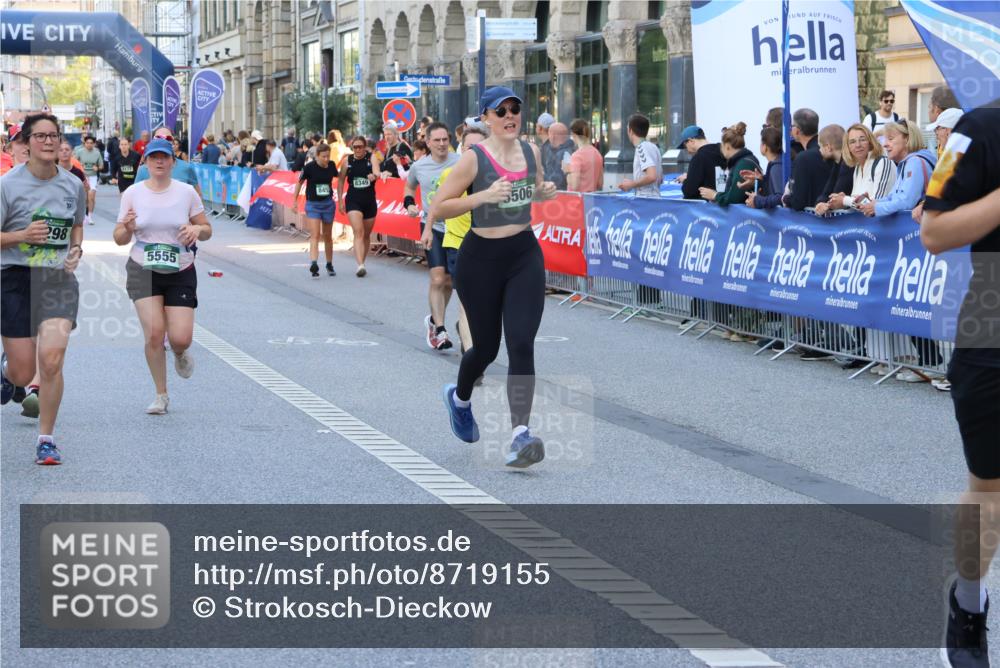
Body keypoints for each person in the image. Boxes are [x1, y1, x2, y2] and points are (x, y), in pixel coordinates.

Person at [430, 86, 558, 468]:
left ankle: (521, 435)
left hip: (523, 254)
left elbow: (532, 190)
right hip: (480, 260)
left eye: (514, 109)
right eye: (500, 111)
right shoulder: (474, 158)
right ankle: (459, 399)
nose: (509, 116)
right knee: (485, 349)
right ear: (485, 117)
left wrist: (542, 192)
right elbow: (439, 207)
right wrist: (482, 197)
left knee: (521, 342)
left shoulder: (531, 151)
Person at [919, 106, 1000, 668]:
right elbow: (933, 231)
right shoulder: (978, 130)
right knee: (989, 491)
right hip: (992, 331)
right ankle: (968, 608)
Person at [0, 112, 86, 465]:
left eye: (54, 135)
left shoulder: (73, 185)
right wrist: (22, 235)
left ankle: (46, 439)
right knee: (23, 373)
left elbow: (76, 224)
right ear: (26, 142)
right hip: (15, 278)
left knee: (51, 360)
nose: (48, 141)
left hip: (56, 278)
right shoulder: (7, 185)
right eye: (40, 136)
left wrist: (76, 248)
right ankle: (7, 372)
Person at [113, 138, 212, 415]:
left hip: (180, 268)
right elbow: (119, 238)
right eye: (154, 157)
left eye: (164, 157)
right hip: (142, 267)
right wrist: (128, 228)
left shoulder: (186, 193)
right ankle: (161, 395)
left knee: (180, 338)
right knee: (155, 334)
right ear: (145, 162)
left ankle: (179, 352)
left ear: (172, 161)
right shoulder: (132, 193)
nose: (159, 161)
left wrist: (196, 230)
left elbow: (207, 229)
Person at [434, 126, 488, 355]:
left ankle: (467, 332)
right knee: (467, 300)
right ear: (462, 149)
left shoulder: (494, 178)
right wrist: (427, 230)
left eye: (479, 148)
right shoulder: (451, 174)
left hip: (488, 246)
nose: (474, 152)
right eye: (469, 148)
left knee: (484, 303)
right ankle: (471, 354)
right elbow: (436, 206)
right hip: (458, 244)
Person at [409, 122, 460, 351]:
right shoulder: (419, 166)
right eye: (437, 140)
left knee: (449, 281)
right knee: (438, 278)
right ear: (428, 142)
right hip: (433, 227)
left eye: (445, 139)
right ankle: (440, 329)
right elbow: (409, 188)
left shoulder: (460, 162)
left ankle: (433, 319)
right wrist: (409, 203)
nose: (441, 144)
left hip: (457, 227)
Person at [815, 123, 895, 215]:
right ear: (848, 147)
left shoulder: (883, 162)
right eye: (852, 142)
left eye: (862, 139)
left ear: (870, 142)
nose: (858, 145)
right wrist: (831, 204)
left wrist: (844, 200)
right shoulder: (857, 168)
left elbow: (875, 206)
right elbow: (856, 202)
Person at [337, 135, 381, 276]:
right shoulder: (347, 161)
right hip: (353, 200)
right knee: (359, 232)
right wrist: (340, 201)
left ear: (365, 147)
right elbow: (340, 181)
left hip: (369, 201)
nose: (357, 150)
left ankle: (362, 261)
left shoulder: (371, 158)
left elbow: (377, 171)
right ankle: (360, 265)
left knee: (366, 235)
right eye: (354, 147)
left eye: (360, 147)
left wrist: (374, 176)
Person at [294, 143, 339, 278]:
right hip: (313, 205)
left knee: (327, 235)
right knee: (315, 234)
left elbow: (339, 178)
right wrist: (294, 200)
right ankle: (314, 263)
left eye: (328, 156)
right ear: (317, 156)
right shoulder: (309, 167)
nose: (326, 159)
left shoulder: (331, 165)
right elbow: (299, 182)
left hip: (328, 204)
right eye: (323, 156)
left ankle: (329, 264)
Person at [783, 108, 835, 211]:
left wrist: (785, 198)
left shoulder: (802, 158)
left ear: (797, 130)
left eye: (792, 126)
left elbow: (798, 201)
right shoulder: (831, 150)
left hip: (815, 217)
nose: (790, 129)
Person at [698, 122, 760, 205]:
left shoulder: (743, 164)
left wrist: (715, 195)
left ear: (727, 146)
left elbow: (735, 198)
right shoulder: (744, 160)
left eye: (721, 145)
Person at [135, 128, 202, 198]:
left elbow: (197, 195)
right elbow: (135, 196)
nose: (163, 141)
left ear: (173, 141)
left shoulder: (186, 167)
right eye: (158, 137)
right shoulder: (143, 170)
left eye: (168, 138)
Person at [677, 125, 727, 199]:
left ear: (691, 141)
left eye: (685, 146)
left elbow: (689, 191)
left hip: (707, 204)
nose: (687, 150)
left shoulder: (698, 158)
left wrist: (685, 180)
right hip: (727, 201)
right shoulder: (725, 150)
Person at [619, 114, 663, 198]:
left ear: (630, 131)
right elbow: (660, 178)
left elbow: (652, 176)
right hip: (655, 198)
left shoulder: (641, 147)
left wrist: (631, 184)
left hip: (645, 199)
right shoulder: (654, 147)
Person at [746, 127, 785, 209]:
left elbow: (781, 198)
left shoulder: (776, 167)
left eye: (761, 143)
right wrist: (762, 180)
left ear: (765, 147)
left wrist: (757, 200)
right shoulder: (778, 164)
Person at [564, 118, 604, 193]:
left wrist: (567, 172)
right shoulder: (597, 154)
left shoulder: (577, 156)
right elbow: (600, 183)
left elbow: (575, 186)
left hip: (577, 199)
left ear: (574, 135)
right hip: (591, 198)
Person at [74, 135, 103, 225]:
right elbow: (73, 162)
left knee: (91, 197)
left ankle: (90, 216)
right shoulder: (79, 152)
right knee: (85, 198)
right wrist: (80, 166)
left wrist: (97, 168)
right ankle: (84, 216)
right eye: (87, 143)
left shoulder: (97, 153)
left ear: (94, 144)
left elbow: (101, 166)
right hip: (83, 176)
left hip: (93, 177)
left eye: (91, 143)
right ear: (84, 143)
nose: (89, 145)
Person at [541, 122, 575, 190]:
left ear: (552, 136)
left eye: (549, 134)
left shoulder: (565, 154)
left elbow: (557, 181)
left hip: (561, 194)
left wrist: (540, 174)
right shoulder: (553, 150)